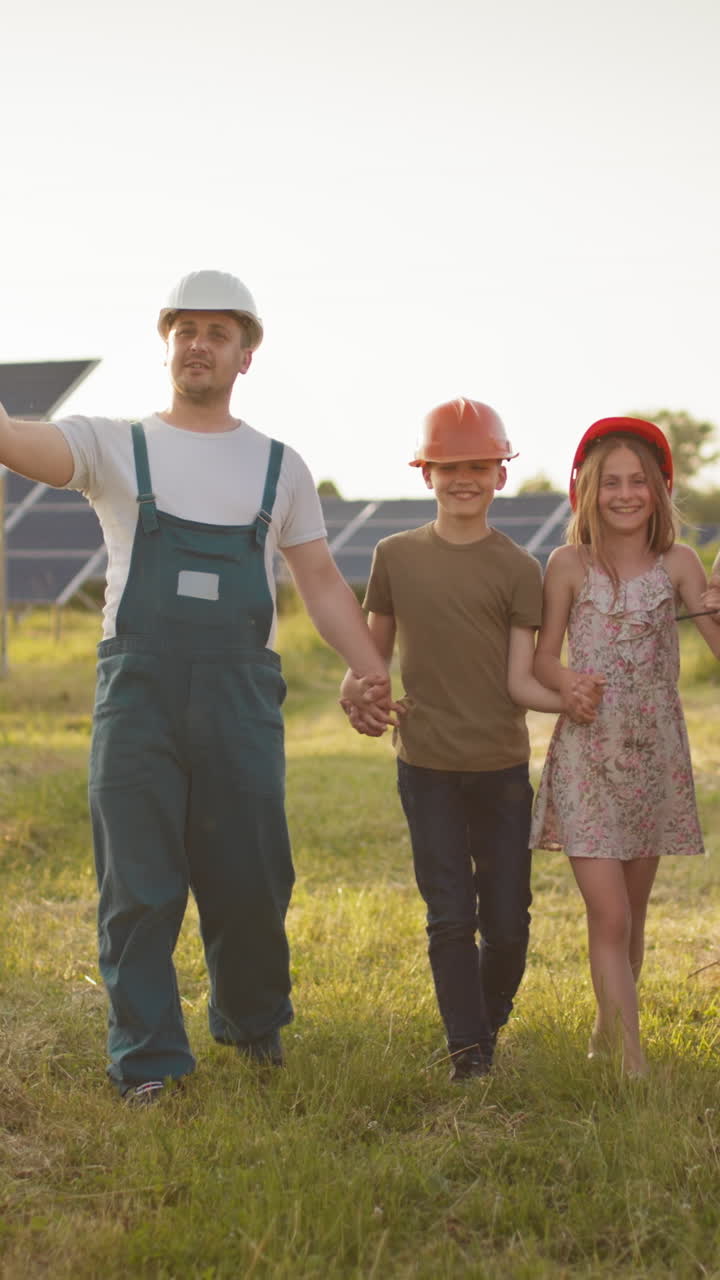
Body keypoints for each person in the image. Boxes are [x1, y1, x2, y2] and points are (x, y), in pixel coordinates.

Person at [0, 269, 395, 1103]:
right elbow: (20, 442)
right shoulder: (115, 446)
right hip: (137, 697)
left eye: (218, 332)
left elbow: (320, 581)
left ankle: (254, 1026)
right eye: (185, 329)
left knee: (253, 875)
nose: (199, 344)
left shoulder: (279, 467)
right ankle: (148, 1062)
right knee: (138, 885)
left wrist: (370, 665)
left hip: (240, 698)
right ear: (167, 344)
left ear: (246, 354)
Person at [340, 399, 601, 1081]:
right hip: (425, 767)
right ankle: (469, 1056)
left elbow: (522, 676)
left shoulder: (519, 569)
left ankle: (481, 1027)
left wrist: (570, 694)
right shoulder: (393, 555)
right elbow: (372, 652)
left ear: (500, 474)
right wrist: (356, 685)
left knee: (509, 924)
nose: (463, 478)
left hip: (502, 771)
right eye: (449, 466)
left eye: (478, 466)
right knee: (450, 916)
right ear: (425, 472)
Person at [530, 416, 720, 1077]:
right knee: (607, 912)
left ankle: (609, 1028)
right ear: (587, 490)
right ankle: (631, 1063)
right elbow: (543, 659)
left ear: (659, 490)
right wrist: (567, 682)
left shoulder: (680, 565)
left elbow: (716, 639)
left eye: (639, 481)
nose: (624, 493)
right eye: (610, 482)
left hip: (655, 757)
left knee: (631, 916)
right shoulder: (565, 565)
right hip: (588, 756)